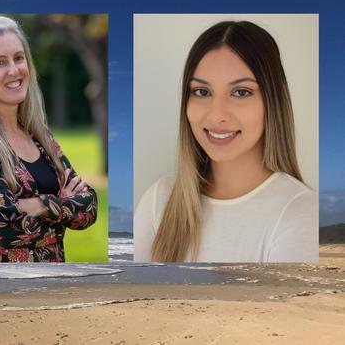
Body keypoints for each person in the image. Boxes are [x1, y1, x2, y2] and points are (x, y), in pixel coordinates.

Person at [134, 21, 318, 263]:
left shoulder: (302, 213)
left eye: (241, 92)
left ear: (272, 102)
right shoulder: (159, 200)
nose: (217, 114)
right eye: (202, 92)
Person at [0, 16, 98, 263]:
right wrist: (62, 207)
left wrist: (38, 205)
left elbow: (89, 208)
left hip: (52, 285)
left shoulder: (39, 135)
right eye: (0, 62)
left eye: (18, 58)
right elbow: (4, 230)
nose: (14, 70)